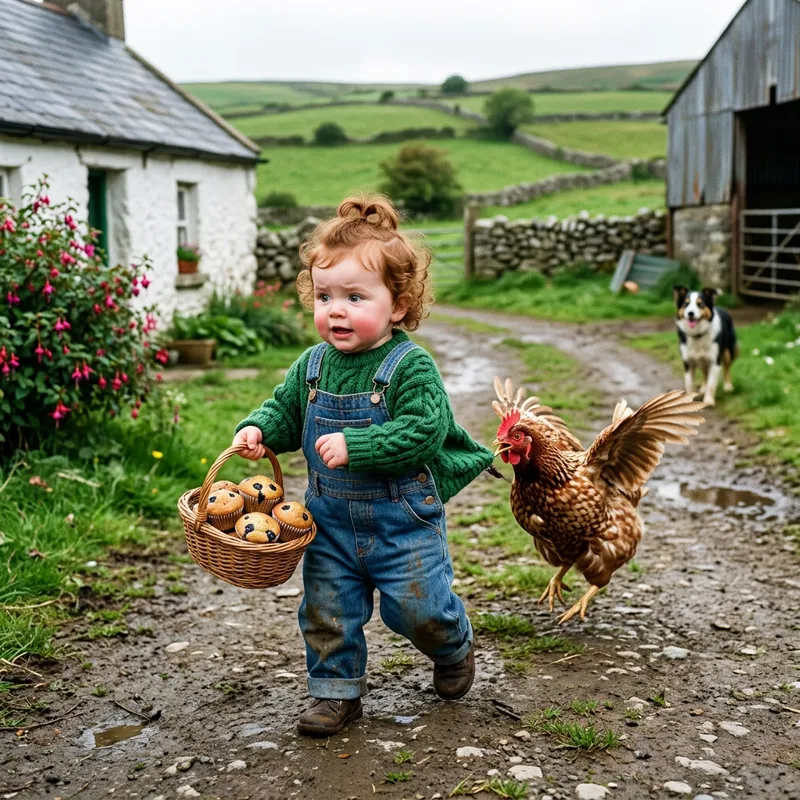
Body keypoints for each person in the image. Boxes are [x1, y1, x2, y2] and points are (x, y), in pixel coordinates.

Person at [232, 194, 494, 736]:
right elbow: (286, 408)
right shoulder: (311, 364)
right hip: (329, 522)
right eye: (324, 296)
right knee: (327, 611)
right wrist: (259, 429)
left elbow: (425, 431)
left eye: (355, 296)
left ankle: (452, 644)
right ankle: (336, 693)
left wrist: (360, 445)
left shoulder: (410, 365)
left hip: (403, 523)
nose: (336, 309)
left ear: (397, 305)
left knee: (416, 611)